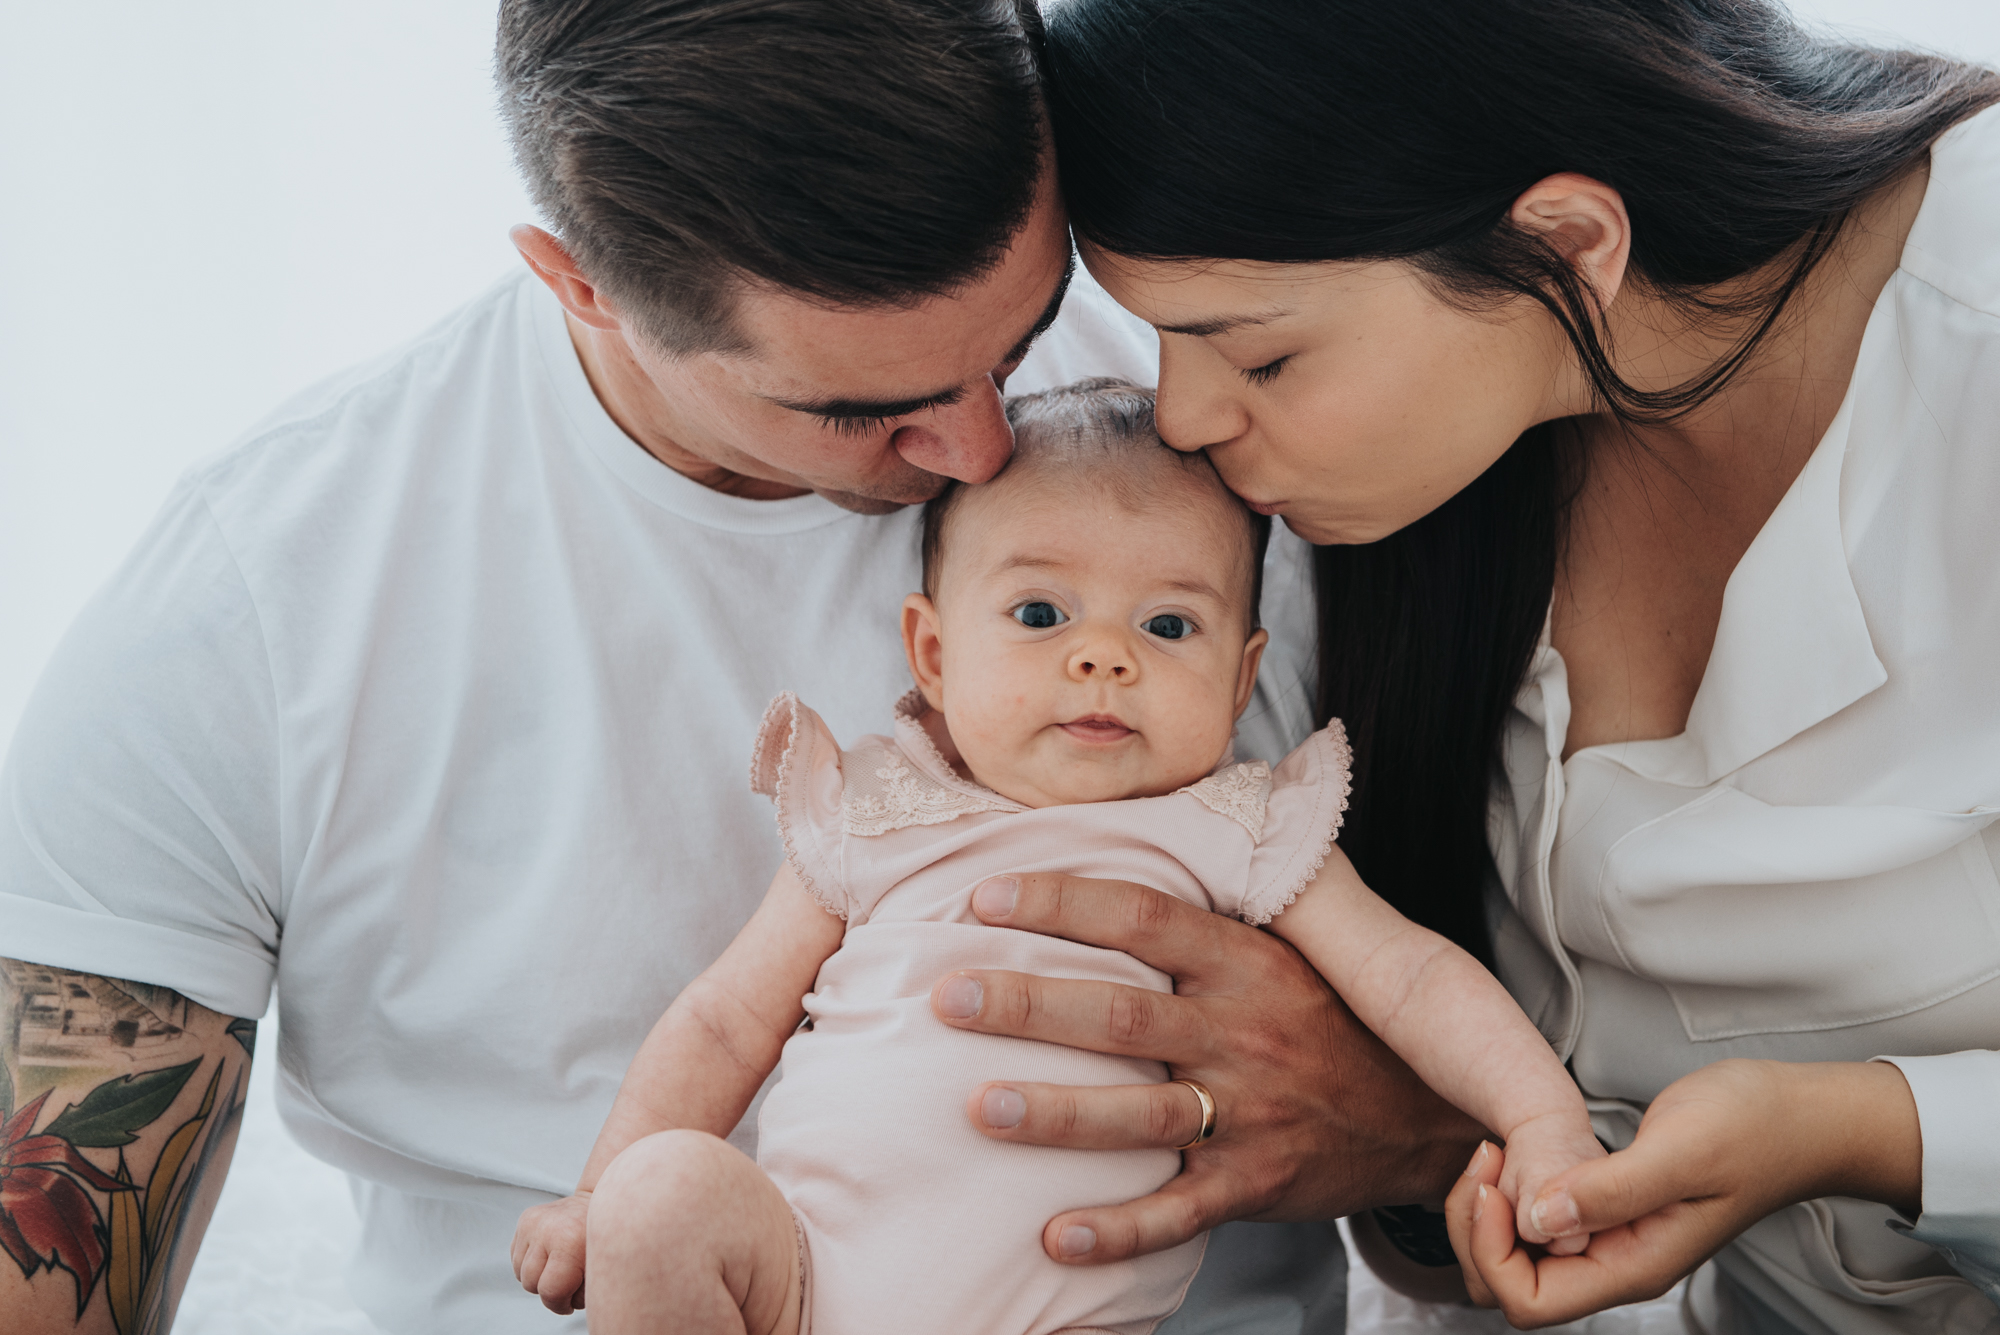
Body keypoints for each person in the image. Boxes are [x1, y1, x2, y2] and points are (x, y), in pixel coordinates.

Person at [0, 3, 1478, 1332]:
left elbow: (1549, 1104)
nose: (979, 446)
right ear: (581, 285)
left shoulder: (1247, 435)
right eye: (866, 407)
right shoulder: (255, 609)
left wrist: (1405, 1140)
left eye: (1020, 334)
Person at [1041, 0, 2000, 1331]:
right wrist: (1438, 1145)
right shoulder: (1408, 478)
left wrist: (1863, 1125)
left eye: (1258, 352)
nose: (1188, 417)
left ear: (1565, 243)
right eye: (1159, 337)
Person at [507, 381, 1605, 1333]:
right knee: (660, 1197)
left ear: (1240, 679)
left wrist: (1541, 1120)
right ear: (932, 653)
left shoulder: (1240, 825)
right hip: (800, 1285)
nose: (1101, 659)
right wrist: (593, 1190)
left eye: (1168, 627)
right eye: (1040, 612)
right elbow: (720, 1019)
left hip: (1063, 1315)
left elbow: (1410, 979)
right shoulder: (878, 807)